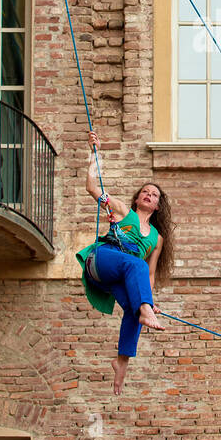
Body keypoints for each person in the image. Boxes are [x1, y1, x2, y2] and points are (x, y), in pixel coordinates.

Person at [78, 130, 174, 394]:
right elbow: (91, 187)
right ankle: (145, 311)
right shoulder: (122, 211)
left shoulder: (156, 238)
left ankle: (121, 363)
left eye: (154, 195)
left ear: (157, 207)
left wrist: (147, 302)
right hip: (101, 260)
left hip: (117, 276)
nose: (149, 195)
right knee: (137, 270)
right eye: (145, 192)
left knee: (135, 308)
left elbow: (150, 275)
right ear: (136, 198)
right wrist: (93, 153)